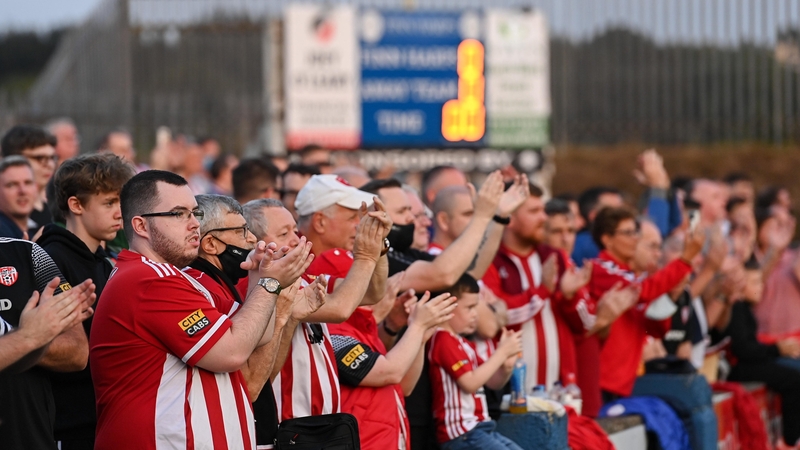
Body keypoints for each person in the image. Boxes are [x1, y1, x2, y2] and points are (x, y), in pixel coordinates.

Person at [89, 170, 313, 449]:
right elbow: (232, 352)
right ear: (141, 226)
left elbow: (257, 335)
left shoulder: (174, 277)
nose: (194, 224)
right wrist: (270, 284)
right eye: (178, 214)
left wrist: (259, 277)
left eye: (194, 213)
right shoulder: (148, 280)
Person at [186, 194, 325, 448]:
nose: (251, 239)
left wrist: (288, 316)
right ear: (210, 244)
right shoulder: (202, 289)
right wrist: (278, 304)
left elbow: (264, 377)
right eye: (241, 231)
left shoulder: (224, 285)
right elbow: (249, 386)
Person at [244, 192, 391, 422]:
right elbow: (340, 308)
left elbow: (372, 291)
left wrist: (378, 245)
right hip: (290, 424)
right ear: (255, 243)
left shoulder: (302, 277)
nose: (296, 239)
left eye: (294, 230)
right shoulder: (263, 284)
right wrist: (365, 255)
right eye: (284, 233)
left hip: (319, 425)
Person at [37, 153, 135, 450]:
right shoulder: (48, 258)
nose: (120, 213)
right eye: (108, 203)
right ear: (76, 205)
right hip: (68, 424)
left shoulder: (104, 263)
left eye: (121, 203)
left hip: (104, 419)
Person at [588, 207, 703, 403]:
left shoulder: (632, 277)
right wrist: (684, 261)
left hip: (626, 382)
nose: (635, 238)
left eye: (636, 233)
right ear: (607, 239)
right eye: (628, 233)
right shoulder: (599, 269)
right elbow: (641, 292)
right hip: (602, 381)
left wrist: (670, 296)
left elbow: (654, 328)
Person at [329, 287, 456, 449]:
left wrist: (420, 337)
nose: (389, 298)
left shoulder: (363, 332)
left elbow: (404, 387)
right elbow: (391, 373)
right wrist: (417, 326)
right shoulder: (337, 333)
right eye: (385, 290)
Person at [0, 237, 96, 450]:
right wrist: (27, 338)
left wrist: (31, 337)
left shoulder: (30, 254)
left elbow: (78, 351)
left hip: (30, 438)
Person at [428, 275, 523, 450]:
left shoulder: (464, 343)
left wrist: (506, 366)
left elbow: (492, 383)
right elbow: (470, 383)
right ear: (448, 307)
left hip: (480, 428)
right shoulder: (442, 339)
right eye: (470, 308)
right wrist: (501, 353)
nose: (475, 315)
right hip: (461, 433)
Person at [723, 257, 800, 446]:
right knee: (795, 379)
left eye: (761, 281)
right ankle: (791, 440)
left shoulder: (745, 309)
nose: (761, 287)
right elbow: (743, 349)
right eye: (755, 282)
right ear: (740, 285)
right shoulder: (736, 308)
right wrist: (777, 349)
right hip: (739, 368)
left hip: (751, 362)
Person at [1, 124, 59, 231]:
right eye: (39, 158)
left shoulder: (58, 208)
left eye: (52, 158)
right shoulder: (9, 215)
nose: (49, 164)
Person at [429, 185, 474, 256]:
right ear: (443, 220)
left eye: (477, 215)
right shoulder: (433, 260)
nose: (476, 220)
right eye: (468, 214)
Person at [0, 156, 37, 238]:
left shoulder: (38, 229)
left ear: (36, 187)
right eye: (12, 185)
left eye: (28, 183)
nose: (22, 191)